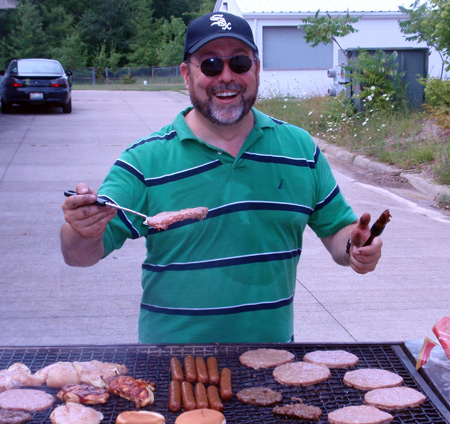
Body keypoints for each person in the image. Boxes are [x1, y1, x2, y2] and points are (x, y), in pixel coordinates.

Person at [61, 12, 382, 343]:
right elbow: (79, 255)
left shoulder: (299, 149)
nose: (226, 77)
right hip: (172, 369)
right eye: (211, 64)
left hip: (274, 362)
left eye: (240, 63)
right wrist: (81, 229)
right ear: (187, 75)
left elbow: (337, 232)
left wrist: (355, 247)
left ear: (256, 70)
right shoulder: (144, 160)